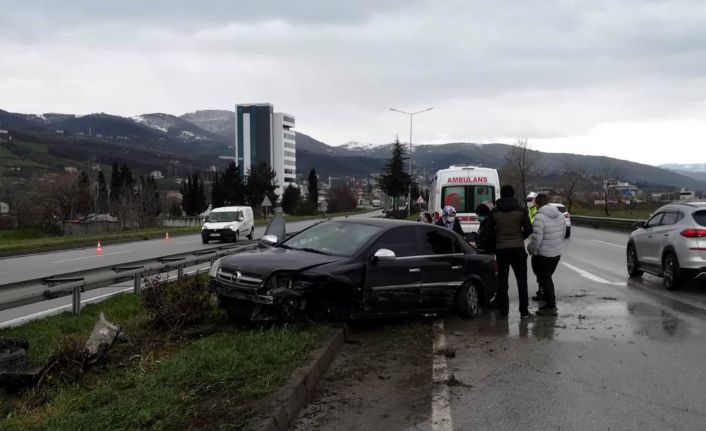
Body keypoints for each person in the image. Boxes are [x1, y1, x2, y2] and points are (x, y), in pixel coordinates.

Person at [488, 185, 533, 319]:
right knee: (522, 281)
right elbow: (529, 229)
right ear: (513, 194)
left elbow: (489, 232)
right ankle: (524, 312)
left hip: (501, 250)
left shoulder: (495, 212)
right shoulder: (521, 210)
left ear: (501, 195)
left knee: (502, 282)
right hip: (518, 249)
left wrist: (497, 241)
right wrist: (520, 237)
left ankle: (504, 312)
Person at [527, 194, 566, 316]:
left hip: (543, 254)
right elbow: (563, 233)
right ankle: (545, 296)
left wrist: (531, 249)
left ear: (537, 204)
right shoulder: (559, 215)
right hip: (556, 253)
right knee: (547, 277)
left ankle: (551, 305)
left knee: (545, 278)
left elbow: (537, 238)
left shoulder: (539, 217)